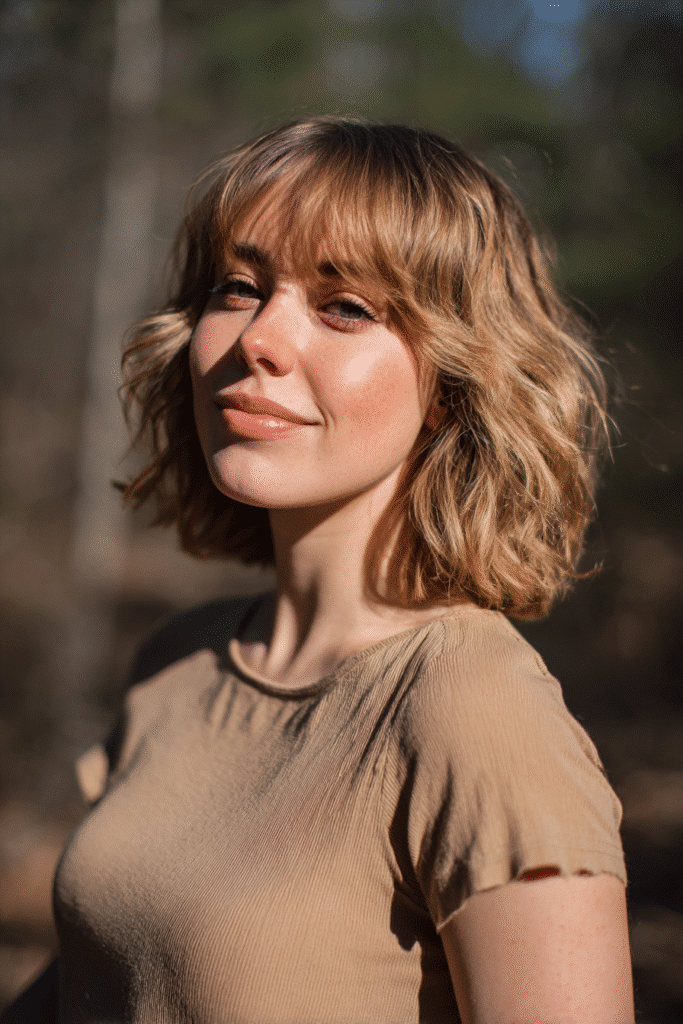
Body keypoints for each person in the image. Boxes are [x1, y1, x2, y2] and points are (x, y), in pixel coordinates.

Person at [2, 117, 634, 1023]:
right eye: (239, 287)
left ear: (455, 378)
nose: (259, 339)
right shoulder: (179, 662)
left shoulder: (473, 710)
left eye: (345, 308)